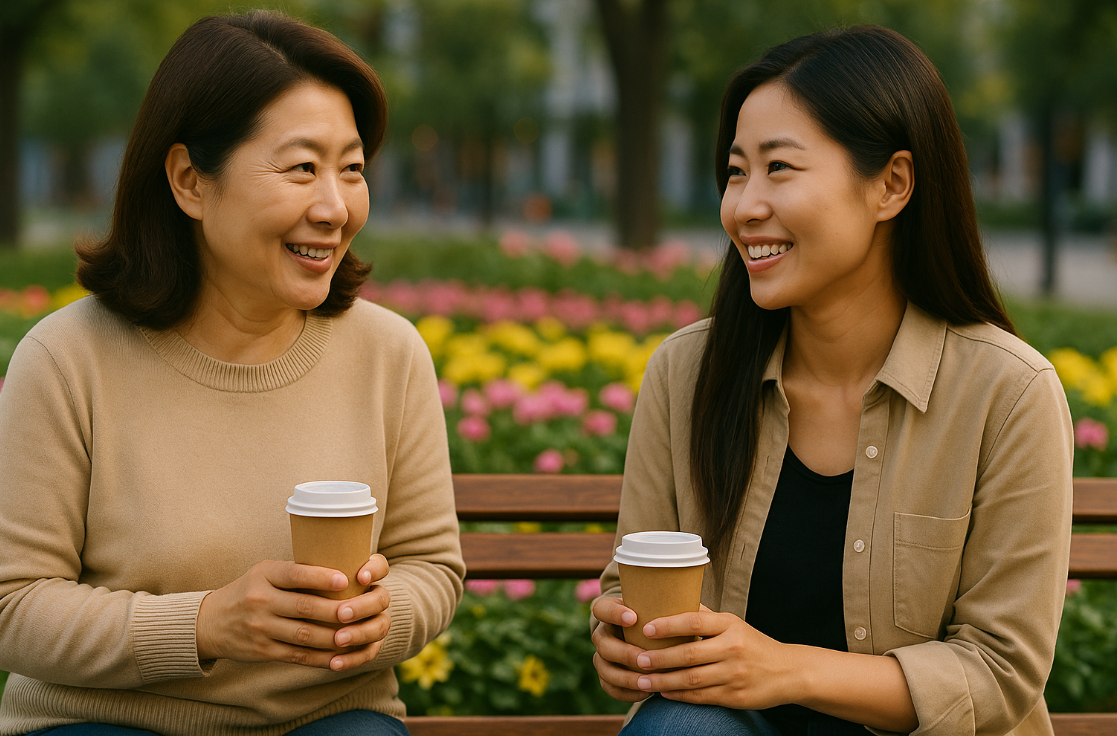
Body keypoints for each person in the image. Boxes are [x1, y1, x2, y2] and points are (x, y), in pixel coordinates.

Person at [591, 25, 1073, 736]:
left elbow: (999, 670)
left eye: (778, 168)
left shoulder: (1006, 393)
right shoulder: (685, 373)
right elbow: (628, 585)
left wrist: (785, 669)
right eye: (733, 172)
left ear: (892, 185)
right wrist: (619, 634)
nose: (744, 206)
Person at [0, 11, 464, 736]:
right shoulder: (67, 359)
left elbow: (430, 568)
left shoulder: (387, 354)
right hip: (103, 723)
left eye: (352, 170)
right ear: (189, 180)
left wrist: (382, 614)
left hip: (327, 720)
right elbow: (14, 603)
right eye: (303, 168)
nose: (335, 208)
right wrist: (206, 625)